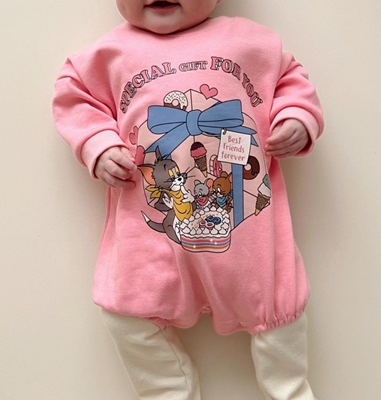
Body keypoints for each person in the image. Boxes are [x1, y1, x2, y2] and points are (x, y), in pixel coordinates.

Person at [52, 1, 324, 399]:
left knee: (281, 317)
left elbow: (290, 80)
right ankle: (168, 390)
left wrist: (297, 117)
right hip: (150, 248)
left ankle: (291, 391)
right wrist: (98, 144)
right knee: (126, 317)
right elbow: (74, 98)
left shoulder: (251, 42)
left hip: (249, 245)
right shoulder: (106, 55)